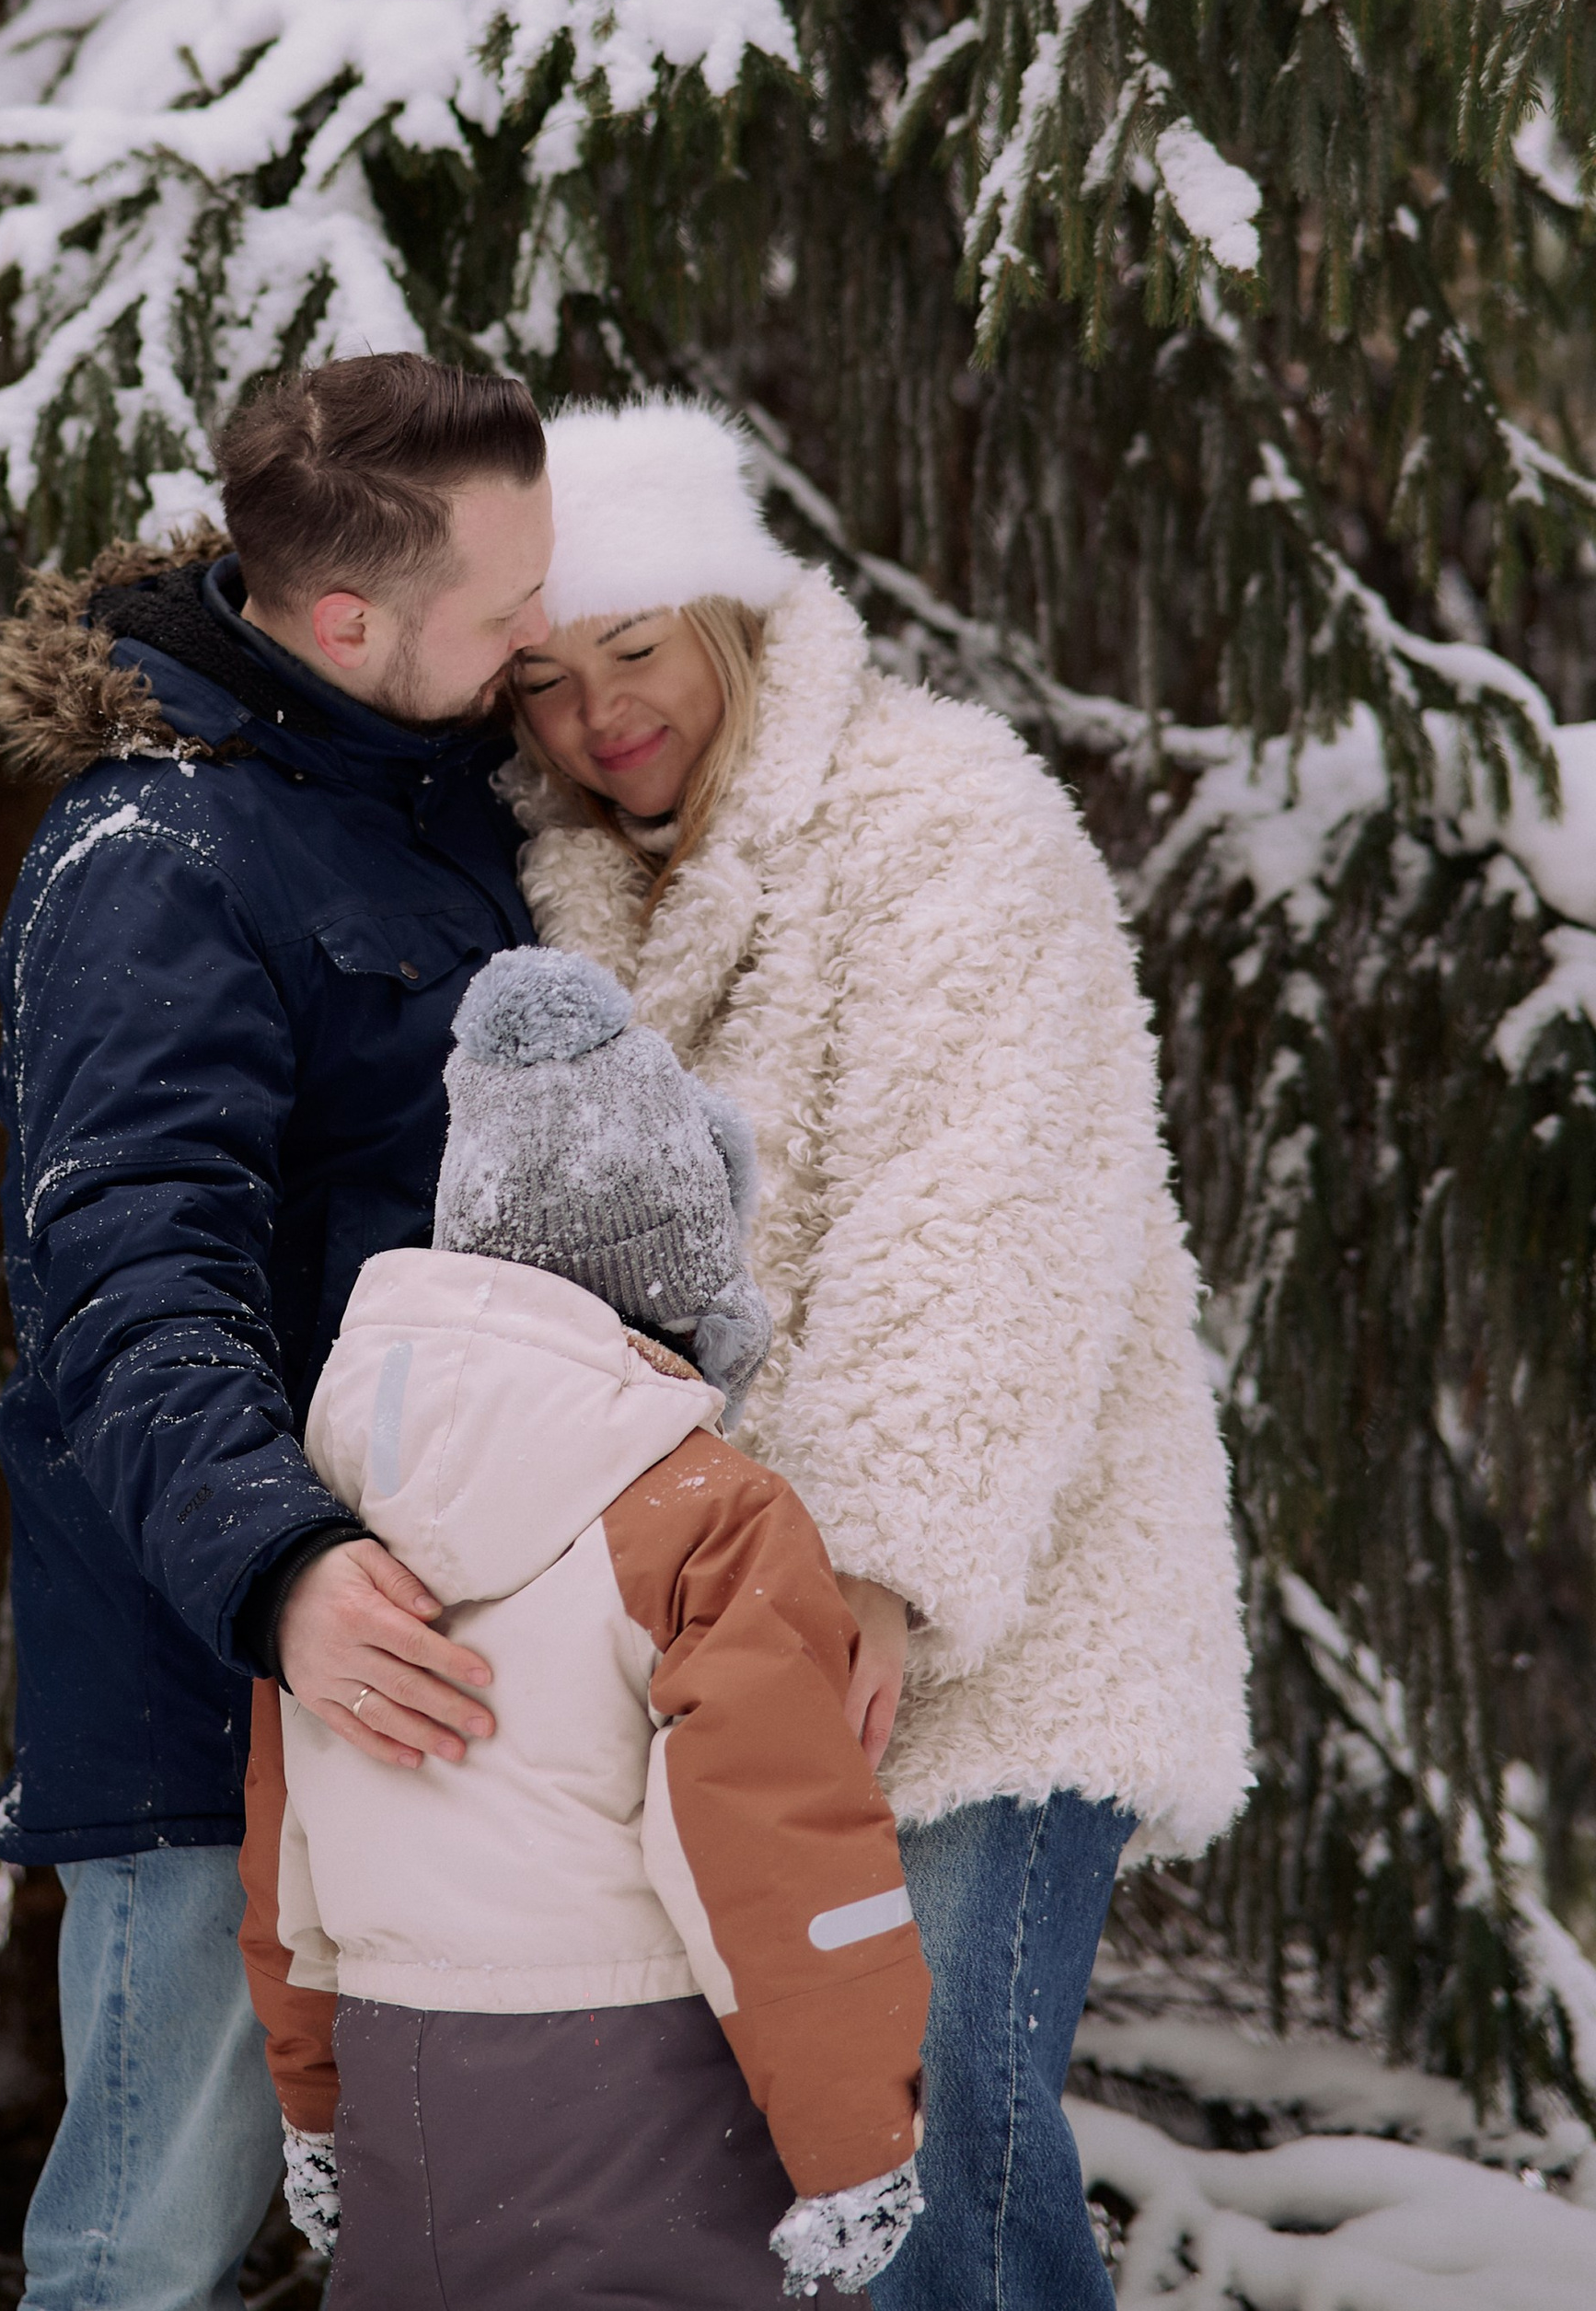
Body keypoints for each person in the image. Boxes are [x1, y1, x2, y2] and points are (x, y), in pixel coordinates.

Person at [503, 393, 1253, 2311]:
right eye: (545, 679)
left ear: (730, 615)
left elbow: (982, 1213)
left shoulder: (937, 812)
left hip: (971, 1617)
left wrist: (872, 1569)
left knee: (921, 2136)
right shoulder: (583, 899)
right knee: (792, 2183)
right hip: (725, 1638)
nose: (600, 715)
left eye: (635, 650)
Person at [0, 353, 555, 2311]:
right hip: (212, 1687)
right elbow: (124, 1281)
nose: (538, 635)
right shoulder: (155, 867)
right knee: (147, 2250)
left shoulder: (452, 798)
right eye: (502, 605)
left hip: (446, 1677)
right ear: (338, 621)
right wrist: (280, 1568)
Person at [239, 942, 931, 2306]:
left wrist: (314, 2106)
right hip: (644, 2106)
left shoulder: (331, 1520)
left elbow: (287, 1847)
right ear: (680, 1265)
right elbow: (777, 1841)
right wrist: (860, 2140)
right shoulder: (707, 1512)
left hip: (397, 2097)